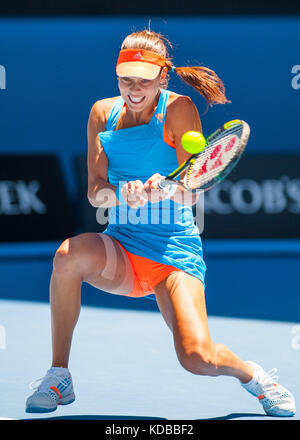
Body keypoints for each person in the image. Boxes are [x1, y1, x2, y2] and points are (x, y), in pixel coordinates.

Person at [26, 29, 296, 417]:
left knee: (197, 358)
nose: (134, 90)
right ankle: (59, 375)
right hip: (121, 246)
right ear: (117, 76)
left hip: (174, 252)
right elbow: (94, 191)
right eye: (126, 80)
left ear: (162, 78)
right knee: (67, 256)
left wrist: (169, 187)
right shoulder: (102, 113)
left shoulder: (180, 108)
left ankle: (253, 376)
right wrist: (122, 195)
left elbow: (193, 184)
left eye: (144, 82)